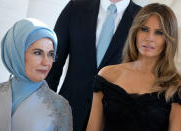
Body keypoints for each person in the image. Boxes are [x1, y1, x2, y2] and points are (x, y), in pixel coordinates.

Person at [46, 0, 141, 130]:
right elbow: (52, 64)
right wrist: (44, 108)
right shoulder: (76, 7)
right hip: (67, 114)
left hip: (111, 122)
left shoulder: (142, 18)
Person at [87, 3, 181, 131]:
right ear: (135, 31)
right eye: (144, 29)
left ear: (169, 39)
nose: (149, 38)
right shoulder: (107, 75)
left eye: (159, 32)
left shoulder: (175, 85)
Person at [0, 18, 72, 131]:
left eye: (51, 54)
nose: (46, 62)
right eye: (37, 53)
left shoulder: (60, 107)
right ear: (17, 52)